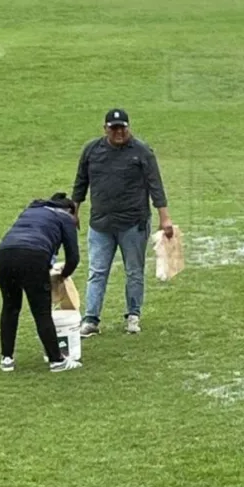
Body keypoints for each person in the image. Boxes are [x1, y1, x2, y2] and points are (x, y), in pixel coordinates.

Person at [71, 108, 174, 337]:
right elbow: (81, 183)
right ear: (105, 128)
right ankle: (91, 319)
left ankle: (133, 314)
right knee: (97, 271)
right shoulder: (92, 151)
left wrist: (164, 216)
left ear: (129, 127)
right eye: (113, 128)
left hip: (133, 224)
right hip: (100, 224)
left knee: (134, 271)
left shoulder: (142, 152)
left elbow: (155, 184)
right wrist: (74, 211)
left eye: (122, 128)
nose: (118, 132)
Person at [0, 193, 84, 372]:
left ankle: (6, 359)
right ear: (69, 210)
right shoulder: (65, 217)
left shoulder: (31, 210)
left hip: (4, 255)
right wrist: (63, 276)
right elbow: (73, 257)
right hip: (33, 257)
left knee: (10, 306)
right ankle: (57, 360)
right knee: (42, 311)